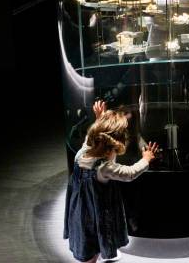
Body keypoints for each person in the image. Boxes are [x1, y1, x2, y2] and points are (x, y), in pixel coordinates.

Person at [64, 100, 159, 262]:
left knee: (87, 234)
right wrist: (146, 159)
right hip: (96, 212)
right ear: (116, 142)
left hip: (79, 208)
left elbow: (91, 136)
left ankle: (97, 253)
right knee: (95, 239)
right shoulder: (104, 167)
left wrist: (100, 118)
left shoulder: (85, 149)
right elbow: (129, 173)